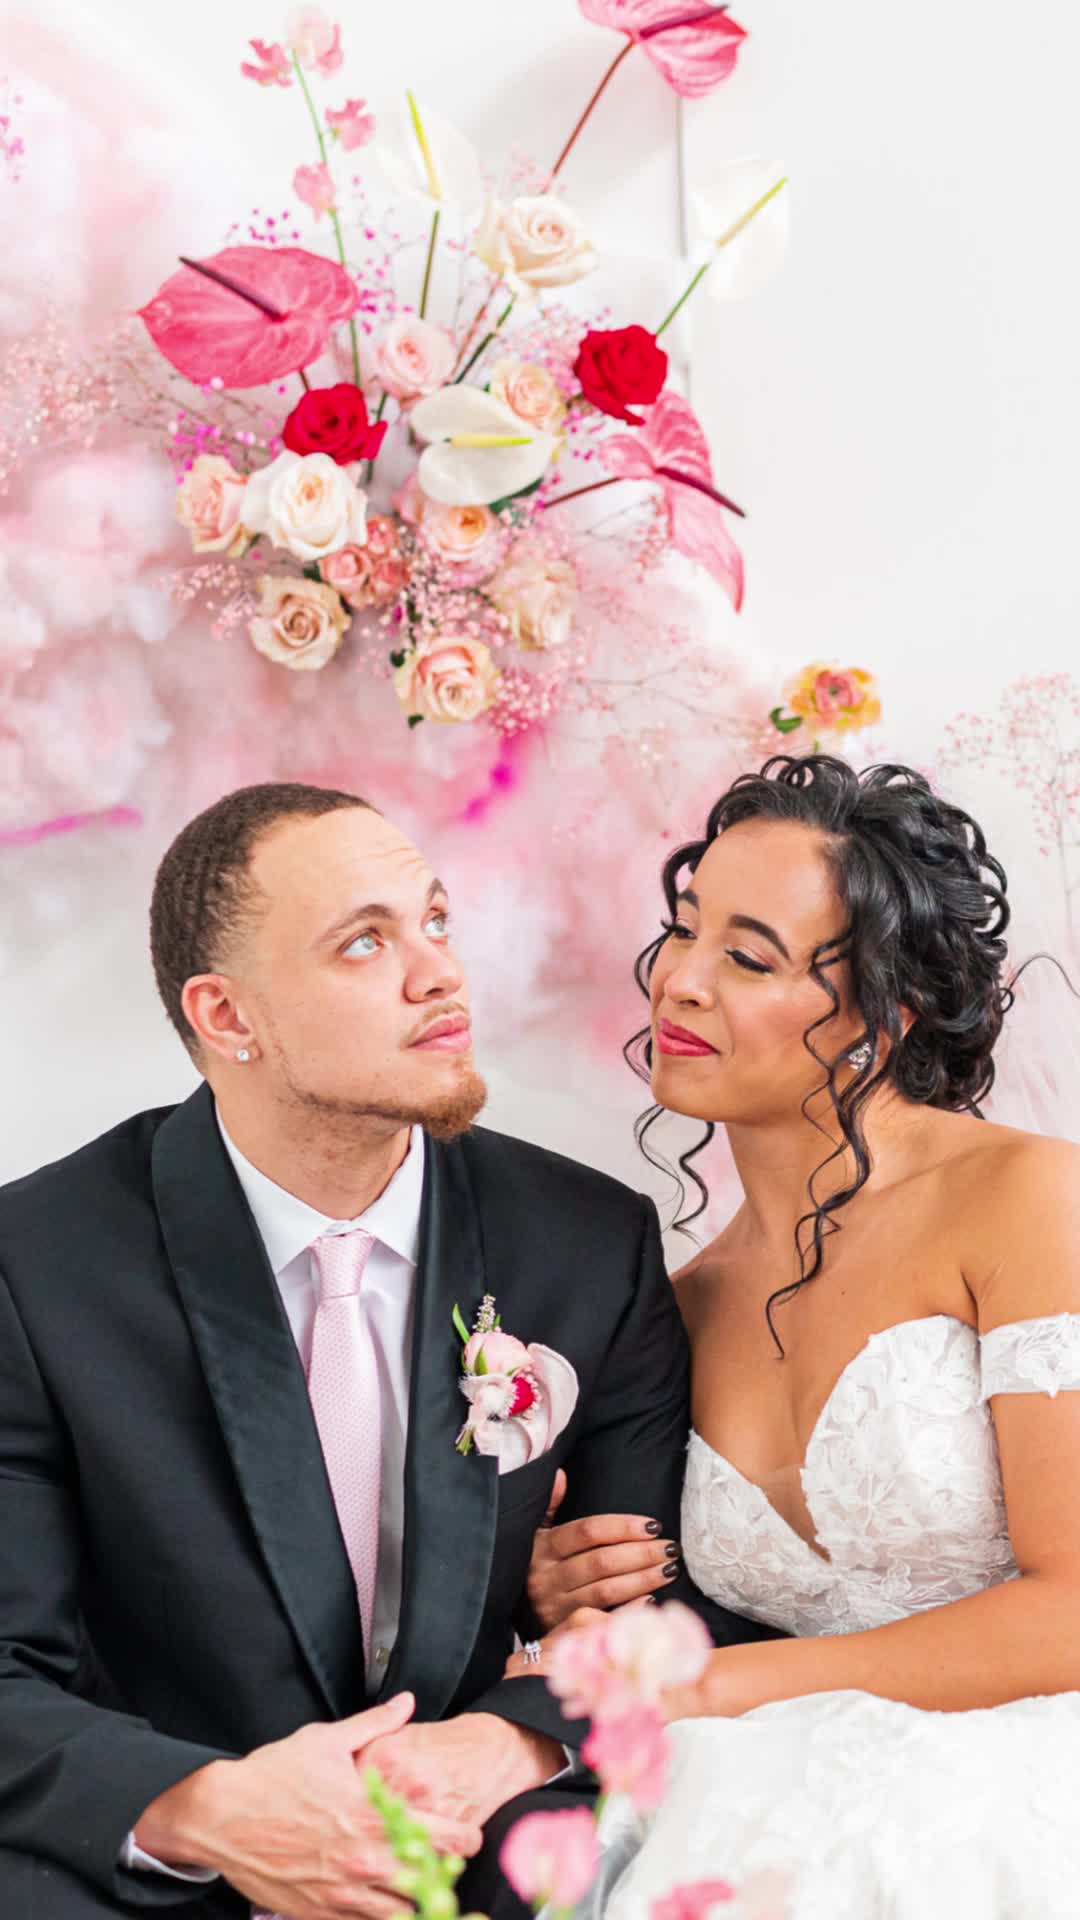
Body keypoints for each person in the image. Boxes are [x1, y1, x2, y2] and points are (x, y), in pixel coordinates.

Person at [0, 781, 772, 1920]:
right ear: (227, 1018)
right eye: (366, 943)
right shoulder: (35, 1264)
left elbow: (681, 1602)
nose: (440, 974)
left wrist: (512, 1745)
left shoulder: (589, 1246)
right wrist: (207, 1807)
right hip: (154, 1869)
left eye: (437, 922)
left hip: (475, 1844)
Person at [519, 756, 1080, 1918]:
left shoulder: (1028, 1203)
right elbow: (676, 1607)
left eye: (749, 957)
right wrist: (555, 1584)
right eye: (685, 931)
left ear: (886, 1010)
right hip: (758, 1798)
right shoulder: (679, 1304)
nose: (679, 983)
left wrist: (720, 1688)